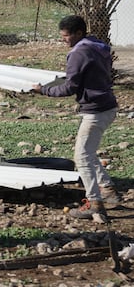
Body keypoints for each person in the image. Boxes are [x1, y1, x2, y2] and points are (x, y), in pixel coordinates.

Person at [33, 15, 120, 223]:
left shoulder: (79, 53)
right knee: (88, 151)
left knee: (81, 156)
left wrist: (44, 90)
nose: (63, 40)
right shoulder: (97, 46)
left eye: (66, 36)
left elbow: (70, 87)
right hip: (107, 105)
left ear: (78, 33)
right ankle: (107, 189)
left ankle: (94, 203)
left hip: (95, 111)